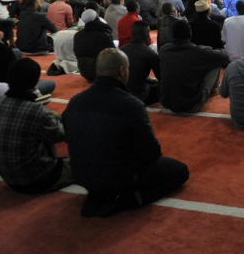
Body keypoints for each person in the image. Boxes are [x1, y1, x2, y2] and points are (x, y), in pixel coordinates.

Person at [63, 48, 189, 218]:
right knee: (179, 171)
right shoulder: (131, 105)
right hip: (117, 178)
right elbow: (151, 154)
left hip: (80, 175)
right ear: (122, 71)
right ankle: (126, 200)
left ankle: (98, 195)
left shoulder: (74, 101)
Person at [0, 58, 72, 194]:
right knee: (89, 161)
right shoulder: (36, 111)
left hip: (9, 178)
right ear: (35, 82)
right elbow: (62, 134)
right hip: (38, 180)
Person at [159, 20, 229, 113]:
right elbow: (225, 57)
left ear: (172, 34)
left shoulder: (163, 50)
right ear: (190, 34)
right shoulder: (199, 51)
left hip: (167, 102)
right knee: (216, 61)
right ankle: (214, 90)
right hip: (192, 105)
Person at [120, 21, 161, 105]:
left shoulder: (121, 50)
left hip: (122, 94)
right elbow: (161, 78)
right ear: (147, 35)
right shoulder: (150, 53)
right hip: (141, 96)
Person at [74, 10, 115, 82]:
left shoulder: (77, 35)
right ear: (97, 18)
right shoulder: (104, 34)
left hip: (84, 71)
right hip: (101, 72)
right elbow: (113, 53)